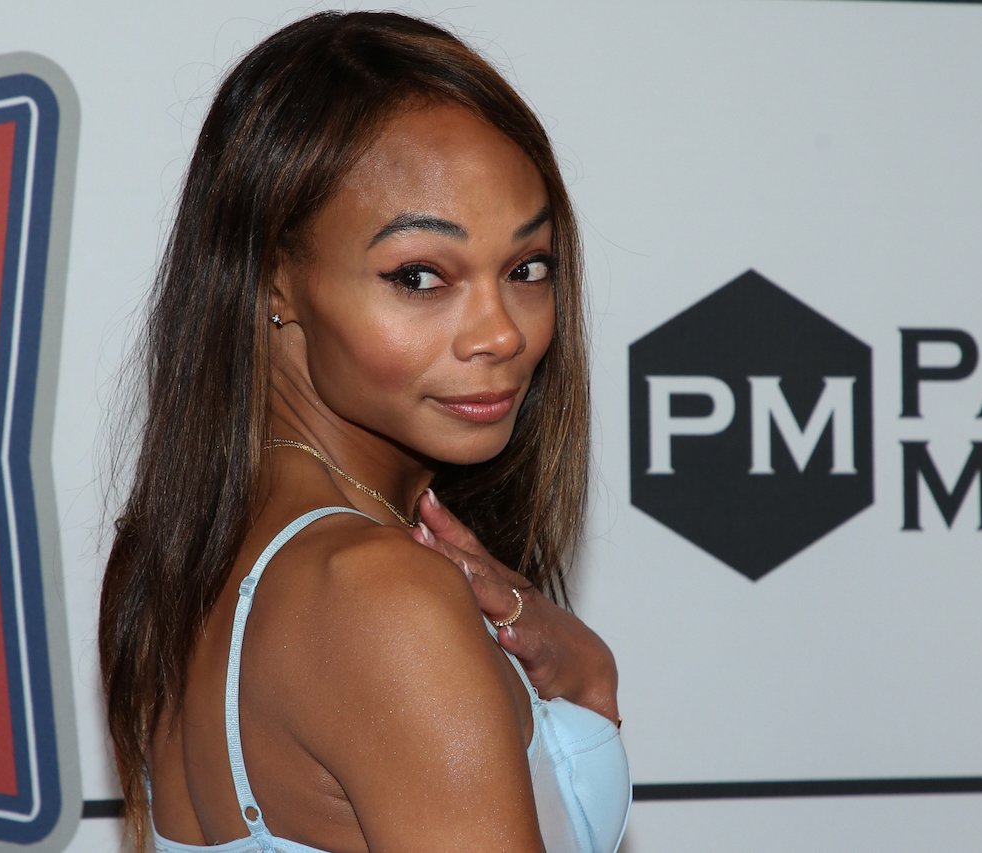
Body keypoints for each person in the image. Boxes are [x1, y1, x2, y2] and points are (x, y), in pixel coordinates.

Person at [99, 11, 630, 852]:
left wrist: (586, 677)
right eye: (420, 275)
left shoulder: (175, 554)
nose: (501, 332)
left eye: (527, 267)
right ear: (274, 278)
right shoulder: (385, 601)